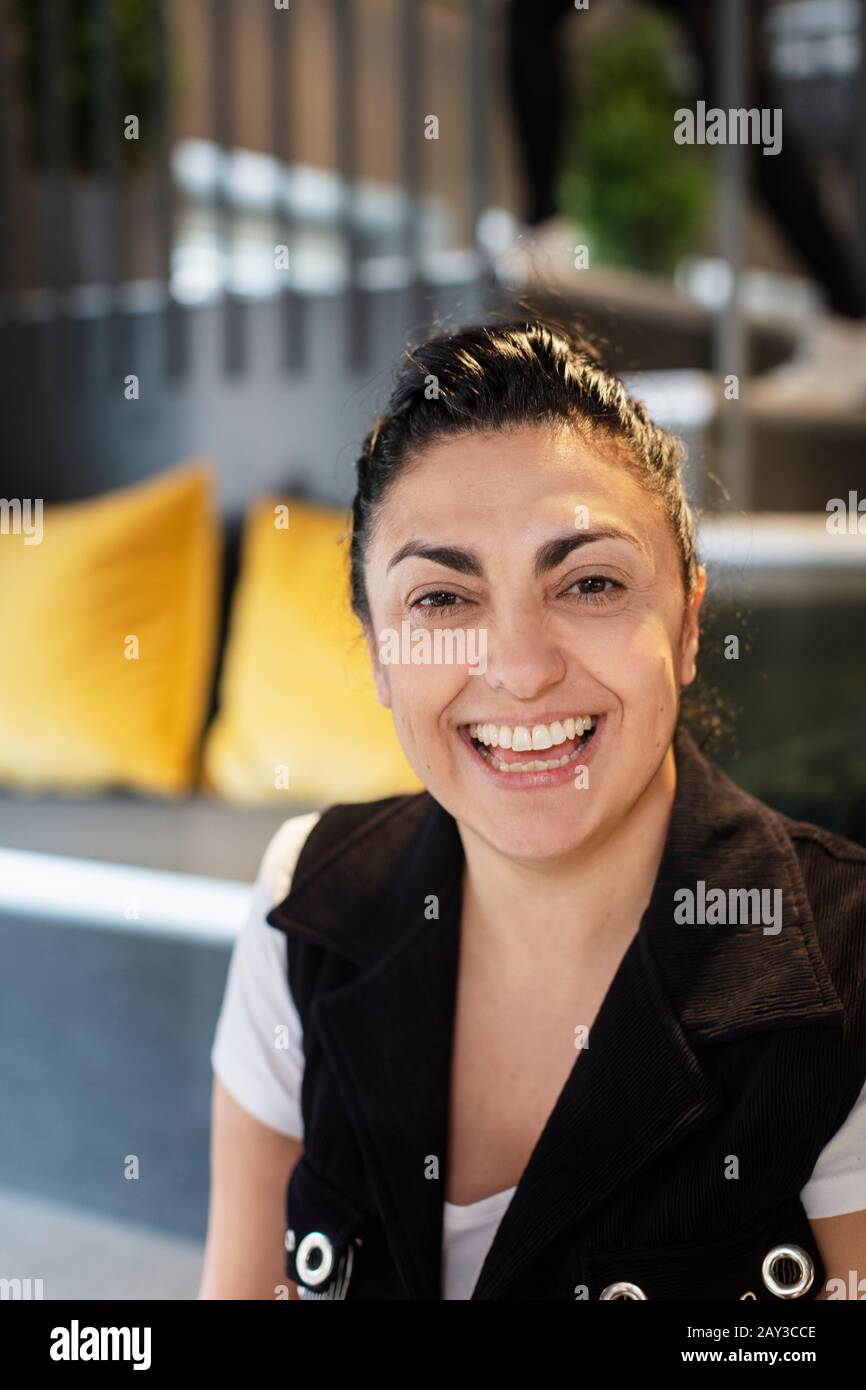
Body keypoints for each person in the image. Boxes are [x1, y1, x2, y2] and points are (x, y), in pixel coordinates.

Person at [199, 318, 866, 1300]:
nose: (518, 669)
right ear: (379, 655)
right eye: (440, 600)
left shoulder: (846, 965)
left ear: (687, 625)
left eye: (589, 582)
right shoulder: (307, 900)